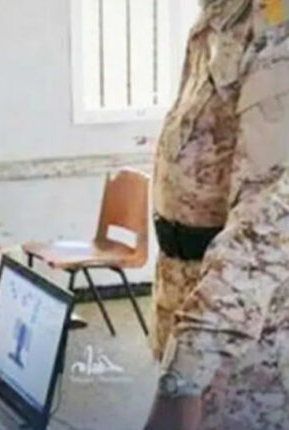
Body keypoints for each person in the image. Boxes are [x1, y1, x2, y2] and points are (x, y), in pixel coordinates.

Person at [146, 3, 289, 428]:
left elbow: (271, 222)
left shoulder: (276, 29)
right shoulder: (220, 15)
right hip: (187, 299)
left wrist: (187, 369)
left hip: (245, 344)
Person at [150, 0, 254, 360]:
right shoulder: (209, 21)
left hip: (222, 281)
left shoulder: (265, 26)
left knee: (210, 384)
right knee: (171, 373)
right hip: (176, 265)